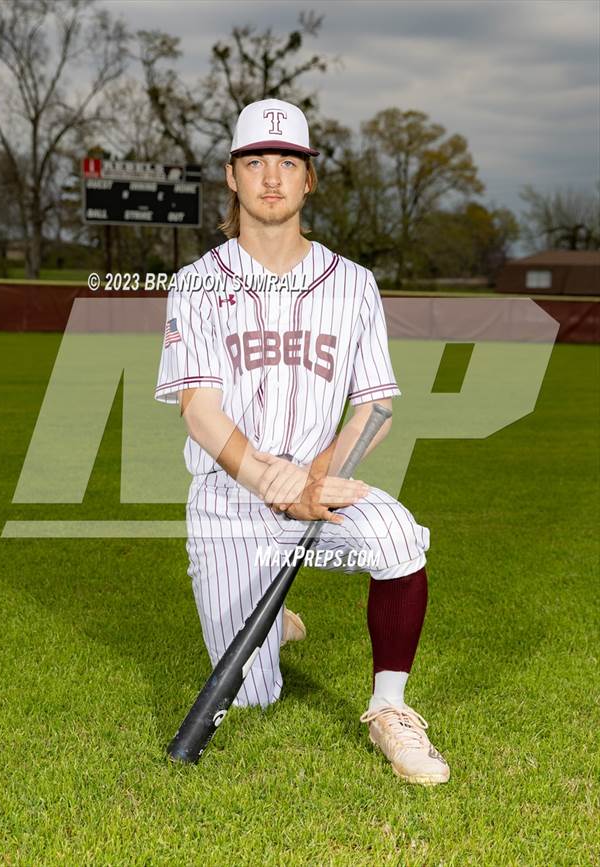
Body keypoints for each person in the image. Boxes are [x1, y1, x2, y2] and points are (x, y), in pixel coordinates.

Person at [154, 98, 449, 785]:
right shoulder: (197, 285)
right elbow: (199, 410)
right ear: (231, 175)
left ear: (308, 178)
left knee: (399, 536)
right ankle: (274, 617)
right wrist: (269, 481)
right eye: (255, 160)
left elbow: (375, 404)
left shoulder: (353, 285)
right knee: (257, 695)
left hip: (322, 488)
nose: (272, 176)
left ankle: (390, 709)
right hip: (231, 502)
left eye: (289, 161)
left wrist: (316, 479)